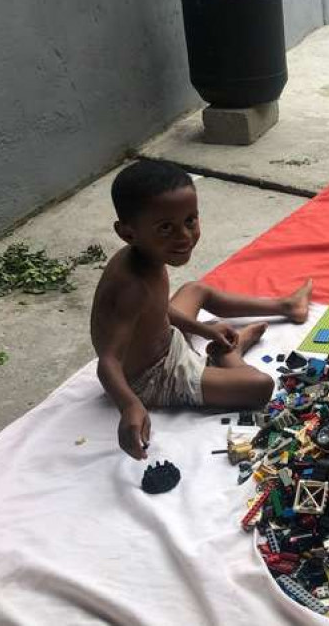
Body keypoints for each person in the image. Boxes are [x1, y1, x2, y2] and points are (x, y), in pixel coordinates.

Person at [91, 161, 313, 459]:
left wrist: (204, 329)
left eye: (190, 220)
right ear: (128, 234)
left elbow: (158, 313)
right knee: (260, 386)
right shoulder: (131, 286)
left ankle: (286, 306)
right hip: (155, 376)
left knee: (196, 289)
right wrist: (129, 404)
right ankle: (228, 356)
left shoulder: (149, 257)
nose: (184, 236)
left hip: (167, 340)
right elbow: (108, 360)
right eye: (165, 228)